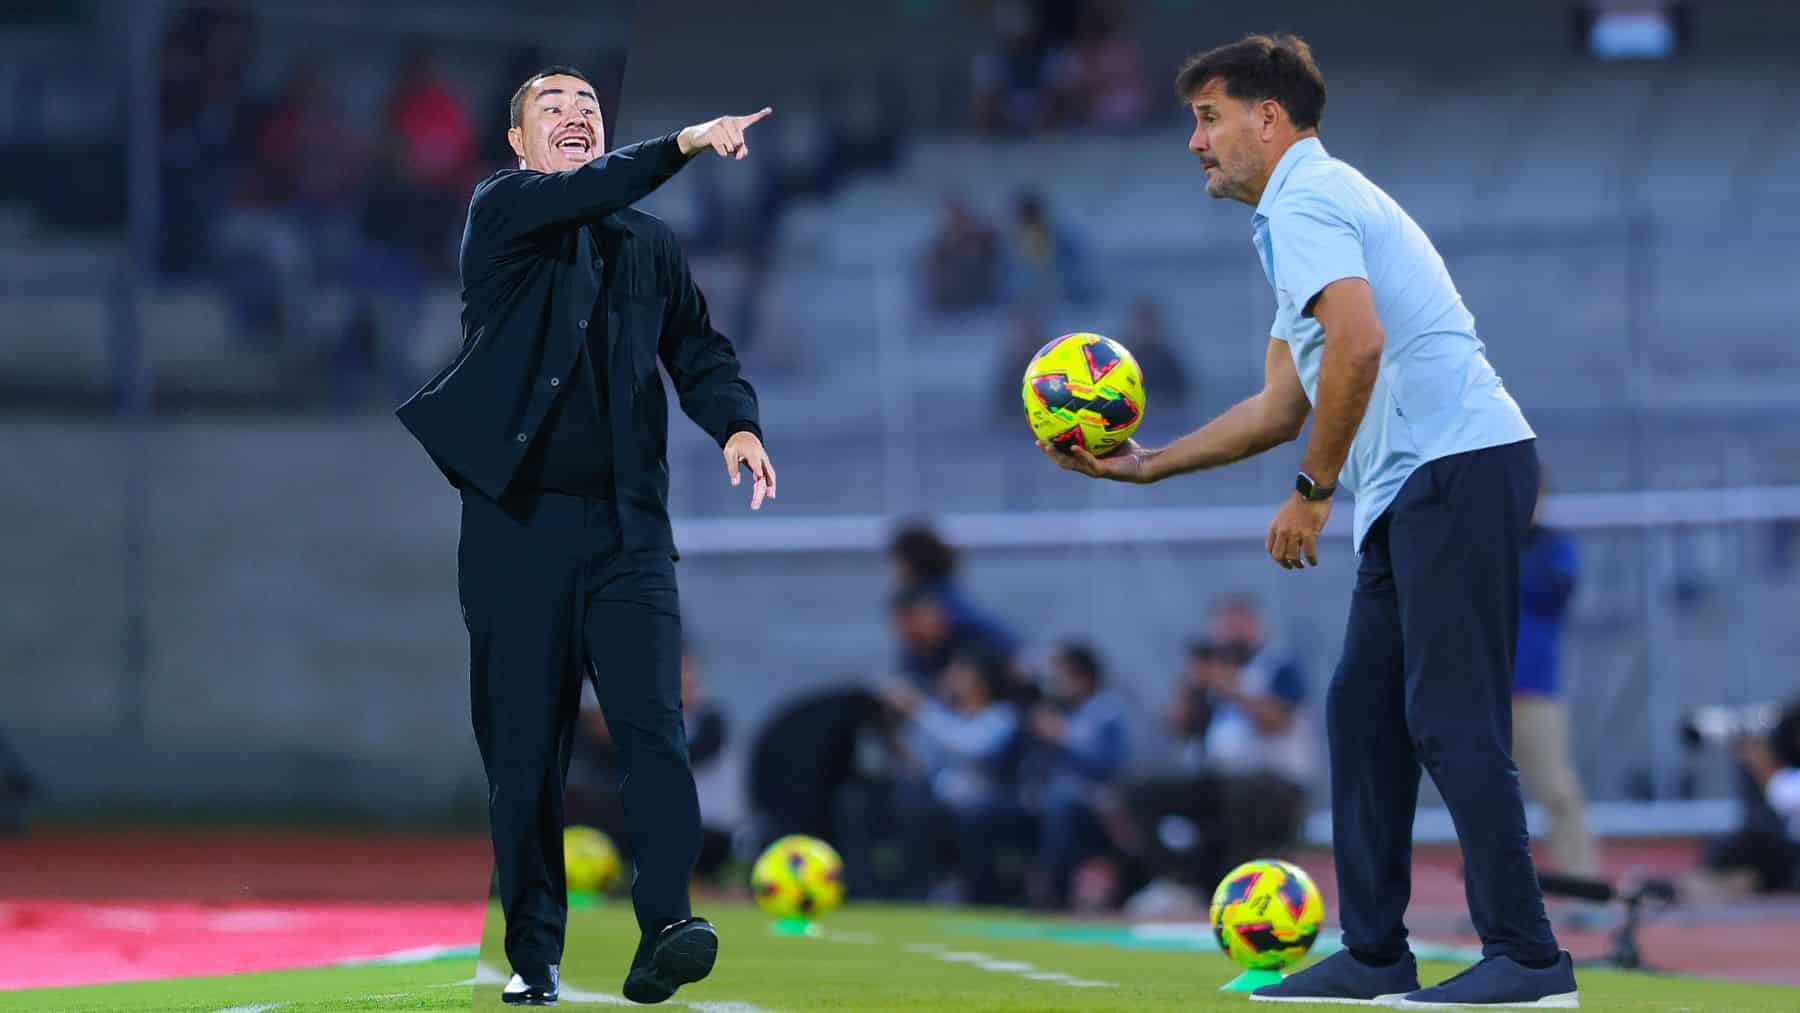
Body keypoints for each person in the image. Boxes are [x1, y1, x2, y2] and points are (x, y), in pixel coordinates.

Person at [1040, 35, 1573, 1007]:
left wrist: (1313, 489)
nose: (1195, 143)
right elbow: (1282, 404)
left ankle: (1531, 961)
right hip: (1415, 483)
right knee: (1363, 716)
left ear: (1269, 120)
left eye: (1208, 118)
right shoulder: (1295, 217)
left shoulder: (1311, 199)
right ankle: (1375, 953)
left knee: (1449, 720)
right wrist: (1149, 463)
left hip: (1455, 465)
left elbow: (1359, 344)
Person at [395, 66, 776, 1007]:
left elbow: (698, 348)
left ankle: (669, 925)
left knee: (656, 727)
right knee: (524, 750)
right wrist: (686, 140)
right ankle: (534, 956)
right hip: (515, 524)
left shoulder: (649, 243)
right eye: (552, 110)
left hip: (628, 529)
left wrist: (735, 421)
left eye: (589, 109)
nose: (574, 118)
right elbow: (600, 188)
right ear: (519, 145)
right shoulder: (504, 210)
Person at [1513, 477, 1601, 877]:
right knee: (1480, 796)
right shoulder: (1475, 543)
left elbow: (1557, 585)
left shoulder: (1552, 547)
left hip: (1533, 690)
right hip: (1477, 688)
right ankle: (1489, 895)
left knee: (1558, 789)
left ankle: (1584, 882)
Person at [1023, 642, 1130, 909]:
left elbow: (1108, 767)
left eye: (1061, 674)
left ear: (1081, 677)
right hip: (1049, 800)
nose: (1056, 682)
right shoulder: (1055, 710)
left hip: (1095, 806)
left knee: (1063, 810)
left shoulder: (1107, 713)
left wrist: (1063, 738)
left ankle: (1055, 896)